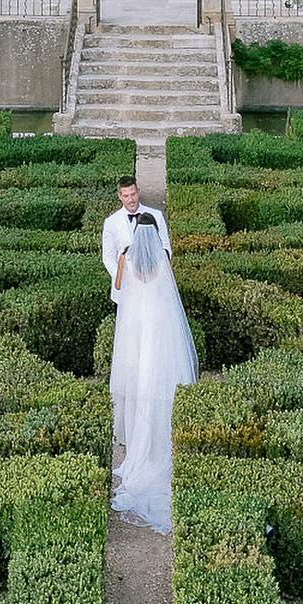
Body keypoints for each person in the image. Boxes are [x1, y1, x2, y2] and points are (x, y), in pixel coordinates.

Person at [100, 175, 198, 531]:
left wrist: (130, 268)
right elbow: (109, 256)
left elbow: (165, 248)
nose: (130, 198)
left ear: (138, 193)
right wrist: (126, 268)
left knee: (138, 369)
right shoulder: (113, 224)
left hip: (137, 304)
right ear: (120, 196)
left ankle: (144, 430)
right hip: (144, 303)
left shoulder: (155, 217)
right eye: (125, 195)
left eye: (133, 194)